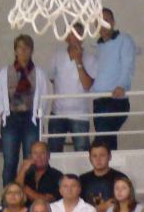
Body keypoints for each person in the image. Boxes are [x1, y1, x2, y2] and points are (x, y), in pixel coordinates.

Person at [0, 35, 50, 186]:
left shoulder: (39, 72)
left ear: (32, 50)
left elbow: (44, 96)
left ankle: (29, 196)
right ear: (15, 50)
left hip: (31, 120)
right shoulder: (5, 72)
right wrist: (3, 113)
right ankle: (8, 195)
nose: (23, 50)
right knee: (10, 162)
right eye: (20, 47)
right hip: (11, 119)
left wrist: (39, 115)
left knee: (31, 160)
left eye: (27, 47)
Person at [87, 8, 137, 150]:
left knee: (103, 140)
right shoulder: (98, 46)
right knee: (106, 139)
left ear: (113, 22)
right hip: (99, 101)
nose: (102, 25)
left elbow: (128, 65)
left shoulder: (124, 40)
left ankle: (104, 161)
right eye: (99, 22)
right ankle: (110, 162)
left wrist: (122, 86)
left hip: (115, 99)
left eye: (106, 20)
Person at [46, 26, 96, 153]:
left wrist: (79, 61)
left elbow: (87, 85)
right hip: (57, 113)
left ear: (83, 37)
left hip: (80, 115)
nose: (75, 37)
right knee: (53, 153)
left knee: (82, 154)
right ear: (66, 37)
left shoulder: (90, 58)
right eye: (72, 33)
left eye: (79, 33)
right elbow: (51, 78)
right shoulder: (57, 55)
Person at [18, 140, 62, 205]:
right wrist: (22, 170)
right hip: (26, 211)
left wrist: (24, 189)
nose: (39, 156)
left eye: (42, 153)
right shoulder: (26, 174)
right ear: (30, 156)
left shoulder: (57, 175)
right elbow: (15, 193)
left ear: (48, 156)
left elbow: (46, 200)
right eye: (35, 153)